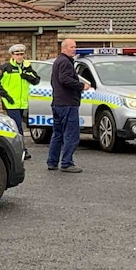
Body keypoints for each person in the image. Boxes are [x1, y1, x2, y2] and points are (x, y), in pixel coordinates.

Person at [0, 43, 40, 160]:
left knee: (16, 127)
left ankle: (14, 149)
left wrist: (27, 76)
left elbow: (36, 80)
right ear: (12, 55)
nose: (20, 56)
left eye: (21, 54)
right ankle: (22, 150)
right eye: (17, 54)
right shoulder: (5, 68)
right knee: (18, 127)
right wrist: (6, 97)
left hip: (22, 103)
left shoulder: (26, 67)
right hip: (11, 103)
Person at [47, 39, 85, 173]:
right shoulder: (65, 62)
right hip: (67, 103)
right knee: (71, 134)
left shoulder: (58, 61)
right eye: (71, 47)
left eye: (75, 47)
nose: (74, 49)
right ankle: (67, 162)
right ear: (64, 48)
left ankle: (52, 161)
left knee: (57, 133)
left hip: (58, 102)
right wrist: (81, 86)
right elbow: (65, 79)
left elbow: (55, 80)